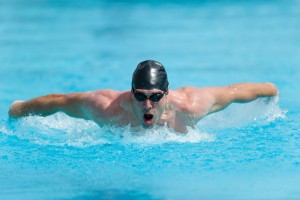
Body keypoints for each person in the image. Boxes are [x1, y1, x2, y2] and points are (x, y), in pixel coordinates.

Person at [8, 60, 278, 133]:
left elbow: (234, 92)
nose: (147, 104)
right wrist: (19, 109)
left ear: (167, 94)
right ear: (131, 92)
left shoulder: (191, 105)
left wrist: (269, 89)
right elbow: (60, 101)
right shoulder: (107, 108)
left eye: (155, 97)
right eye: (140, 96)